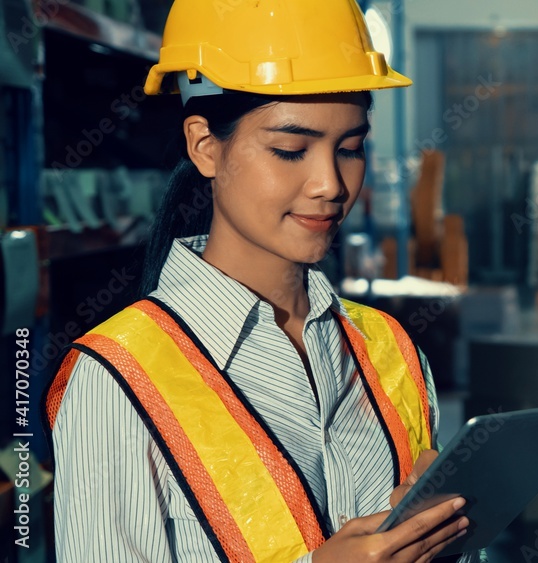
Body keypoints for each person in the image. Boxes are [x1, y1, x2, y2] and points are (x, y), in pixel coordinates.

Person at [42, 1, 480, 561]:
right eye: (290, 150)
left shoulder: (390, 348)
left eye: (350, 149)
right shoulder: (116, 379)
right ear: (205, 146)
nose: (330, 184)